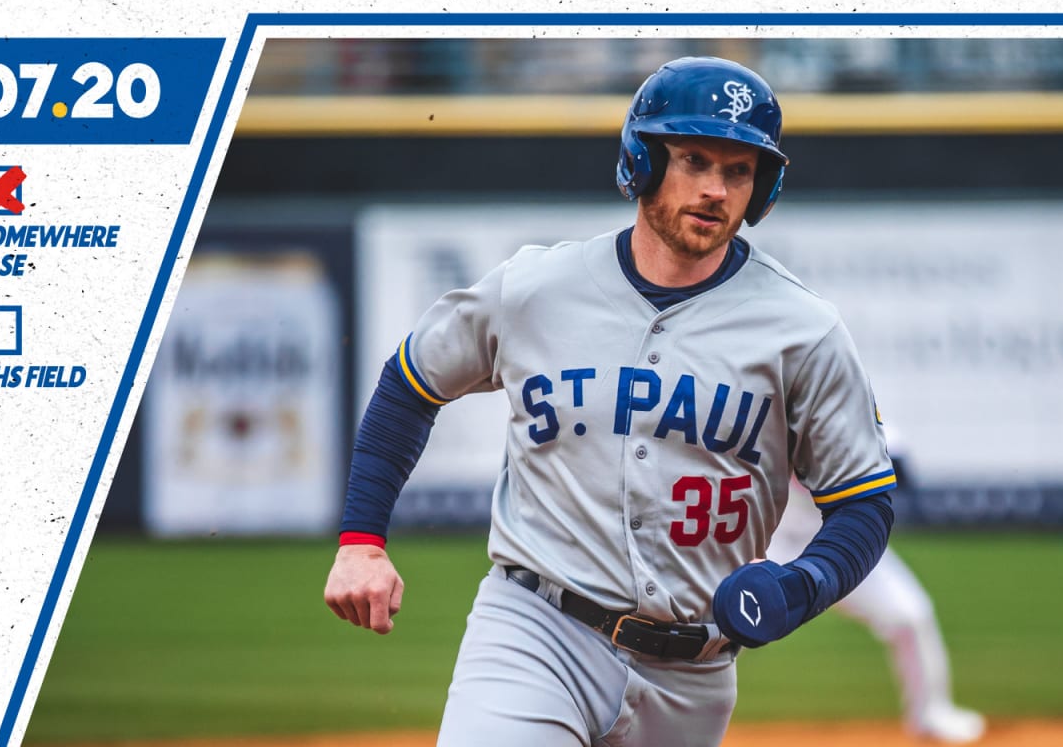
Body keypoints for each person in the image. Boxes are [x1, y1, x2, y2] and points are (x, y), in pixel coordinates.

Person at [323, 56, 897, 747]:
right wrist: (361, 542)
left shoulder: (803, 330)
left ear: (762, 186)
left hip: (696, 674)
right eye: (692, 159)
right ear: (641, 159)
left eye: (738, 169)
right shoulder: (536, 288)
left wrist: (804, 583)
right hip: (537, 631)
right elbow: (409, 386)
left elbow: (864, 502)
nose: (715, 189)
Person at [765, 434, 986, 744]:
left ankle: (931, 714)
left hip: (846, 541)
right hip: (775, 539)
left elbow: (901, 468)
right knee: (723, 622)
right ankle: (694, 713)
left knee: (910, 616)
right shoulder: (775, 410)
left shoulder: (857, 411)